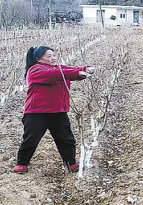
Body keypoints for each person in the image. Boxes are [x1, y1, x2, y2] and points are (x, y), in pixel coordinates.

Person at [13, 46, 94, 174]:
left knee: (66, 139)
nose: (53, 58)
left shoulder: (59, 68)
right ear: (38, 59)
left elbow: (67, 70)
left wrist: (85, 70)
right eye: (49, 56)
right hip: (37, 112)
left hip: (58, 111)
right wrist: (77, 73)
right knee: (31, 139)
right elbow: (55, 74)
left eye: (54, 55)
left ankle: (70, 164)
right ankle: (22, 163)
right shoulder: (35, 70)